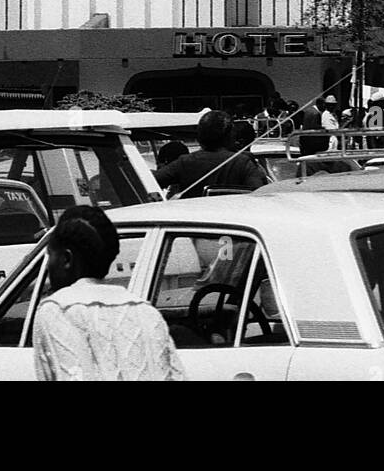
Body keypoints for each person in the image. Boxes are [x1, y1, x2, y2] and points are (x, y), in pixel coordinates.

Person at [33, 205, 185, 382]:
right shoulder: (146, 311)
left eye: (50, 255)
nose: (48, 266)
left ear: (66, 259)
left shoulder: (58, 310)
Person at [153, 110, 268, 197]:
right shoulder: (242, 162)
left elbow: (151, 181)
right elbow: (260, 196)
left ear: (200, 137)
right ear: (230, 136)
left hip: (195, 224)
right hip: (233, 223)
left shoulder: (185, 162)